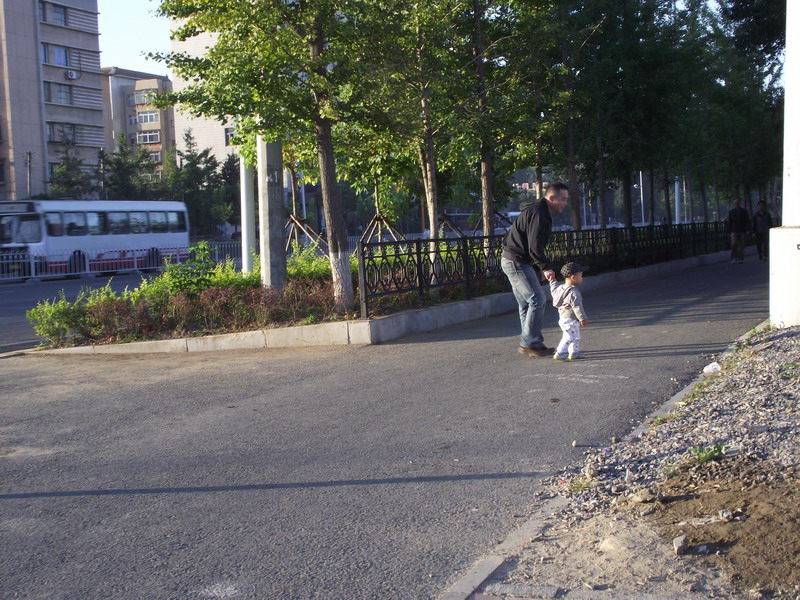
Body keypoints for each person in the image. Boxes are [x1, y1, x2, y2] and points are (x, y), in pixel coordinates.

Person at [501, 182, 569, 357]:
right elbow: (534, 246)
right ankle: (529, 343)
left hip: (516, 260)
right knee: (537, 299)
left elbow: (530, 244)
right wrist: (544, 267)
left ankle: (533, 343)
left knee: (526, 303)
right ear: (551, 198)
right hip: (516, 261)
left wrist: (536, 266)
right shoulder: (539, 213)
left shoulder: (541, 211)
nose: (565, 203)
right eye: (562, 199)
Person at [547, 262, 589, 361]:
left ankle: (574, 352)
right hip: (571, 319)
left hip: (563, 319)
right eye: (581, 276)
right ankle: (559, 353)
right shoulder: (574, 292)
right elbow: (577, 307)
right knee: (569, 337)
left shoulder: (560, 288)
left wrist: (552, 280)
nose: (582, 278)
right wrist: (583, 318)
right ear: (573, 277)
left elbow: (553, 288)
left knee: (576, 336)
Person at [727, 198, 749, 263]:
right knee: (734, 244)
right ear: (733, 204)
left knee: (742, 245)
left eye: (737, 202)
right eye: (735, 203)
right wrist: (728, 231)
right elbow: (729, 222)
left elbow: (747, 221)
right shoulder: (731, 212)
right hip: (734, 230)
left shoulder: (744, 211)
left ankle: (740, 258)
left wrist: (747, 229)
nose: (736, 204)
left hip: (742, 229)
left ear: (739, 203)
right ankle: (734, 257)